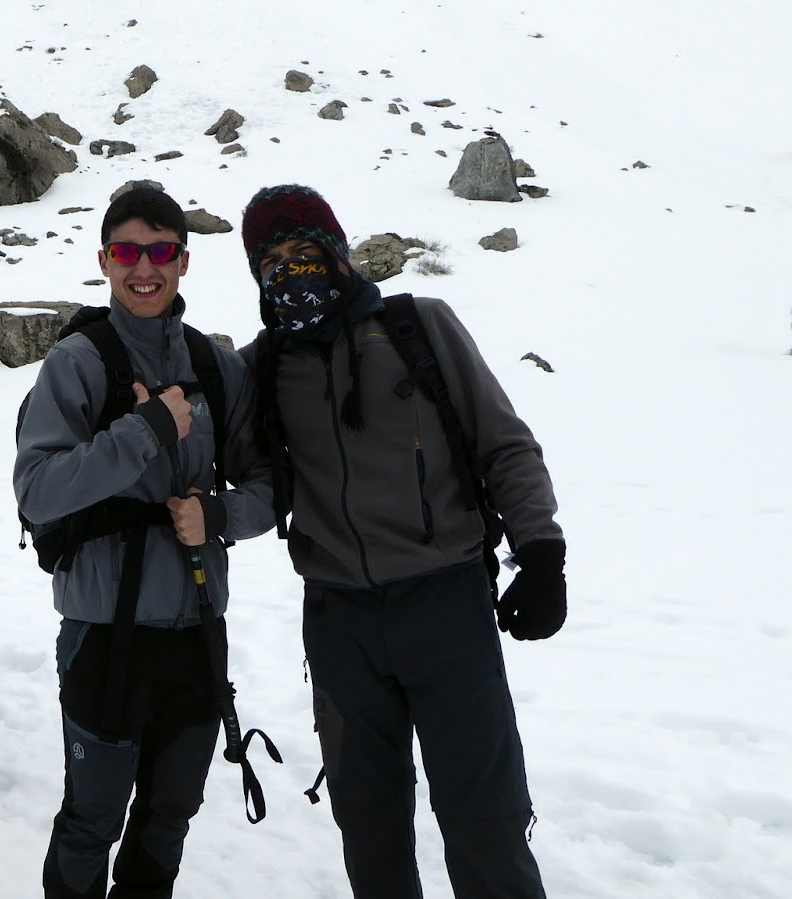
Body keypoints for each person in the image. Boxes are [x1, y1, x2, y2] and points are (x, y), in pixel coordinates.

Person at [237, 184, 566, 899]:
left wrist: (541, 551)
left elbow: (504, 444)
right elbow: (233, 460)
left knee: (486, 821)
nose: (291, 270)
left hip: (446, 606)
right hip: (339, 623)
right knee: (371, 829)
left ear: (338, 252)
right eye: (272, 261)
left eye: (305, 251)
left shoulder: (418, 327)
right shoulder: (262, 366)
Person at [15, 186, 275, 899]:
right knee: (92, 818)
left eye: (161, 251)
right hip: (105, 631)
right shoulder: (78, 362)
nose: (144, 268)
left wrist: (217, 516)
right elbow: (37, 489)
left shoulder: (217, 367)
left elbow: (267, 486)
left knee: (168, 817)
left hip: (197, 630)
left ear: (183, 262)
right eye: (127, 251)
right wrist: (147, 431)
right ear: (104, 260)